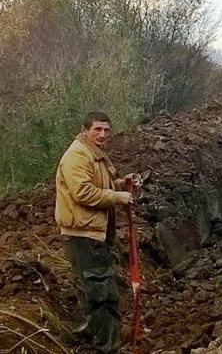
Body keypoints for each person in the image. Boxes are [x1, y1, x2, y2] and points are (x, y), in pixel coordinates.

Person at [55, 112, 137, 354]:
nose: (102, 135)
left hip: (94, 233)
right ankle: (106, 348)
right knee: (103, 296)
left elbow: (102, 185)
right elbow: (83, 193)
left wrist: (122, 184)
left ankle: (88, 336)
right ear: (85, 130)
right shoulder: (77, 156)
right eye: (97, 129)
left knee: (98, 292)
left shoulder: (94, 153)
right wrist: (117, 197)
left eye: (106, 130)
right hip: (84, 236)